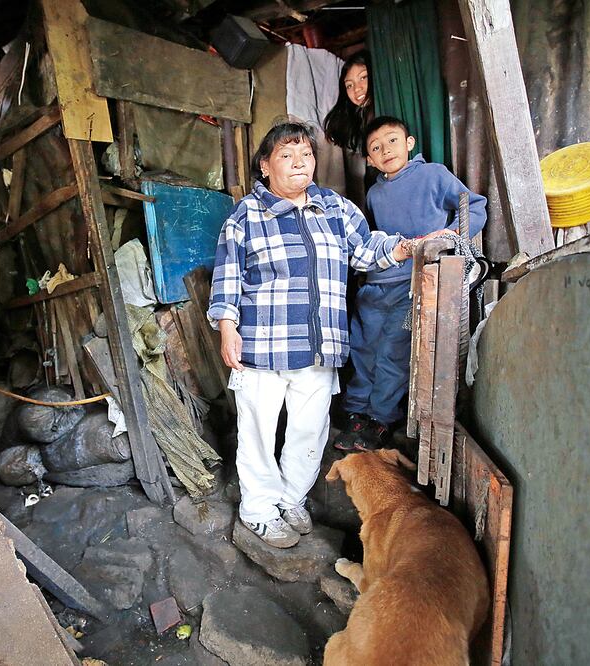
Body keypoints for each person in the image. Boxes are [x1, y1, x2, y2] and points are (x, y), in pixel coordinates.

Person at [207, 121, 435, 549]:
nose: (300, 163)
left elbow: (366, 251)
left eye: (307, 155)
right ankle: (258, 509)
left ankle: (291, 498)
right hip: (263, 345)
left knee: (309, 431)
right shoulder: (246, 216)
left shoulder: (335, 207)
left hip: (318, 347)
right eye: (287, 155)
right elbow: (227, 276)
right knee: (257, 432)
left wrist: (406, 247)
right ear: (265, 165)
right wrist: (226, 325)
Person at [334, 116, 487, 452]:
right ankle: (356, 412)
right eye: (376, 148)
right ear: (369, 161)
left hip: (415, 285)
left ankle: (380, 418)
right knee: (363, 348)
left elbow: (475, 207)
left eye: (391, 140)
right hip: (376, 283)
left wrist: (449, 237)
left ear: (410, 143)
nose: (385, 150)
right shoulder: (374, 194)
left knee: (394, 351)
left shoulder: (433, 175)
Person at [323, 50, 374, 210]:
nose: (357, 89)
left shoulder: (385, 109)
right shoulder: (351, 120)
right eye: (349, 85)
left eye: (363, 78)